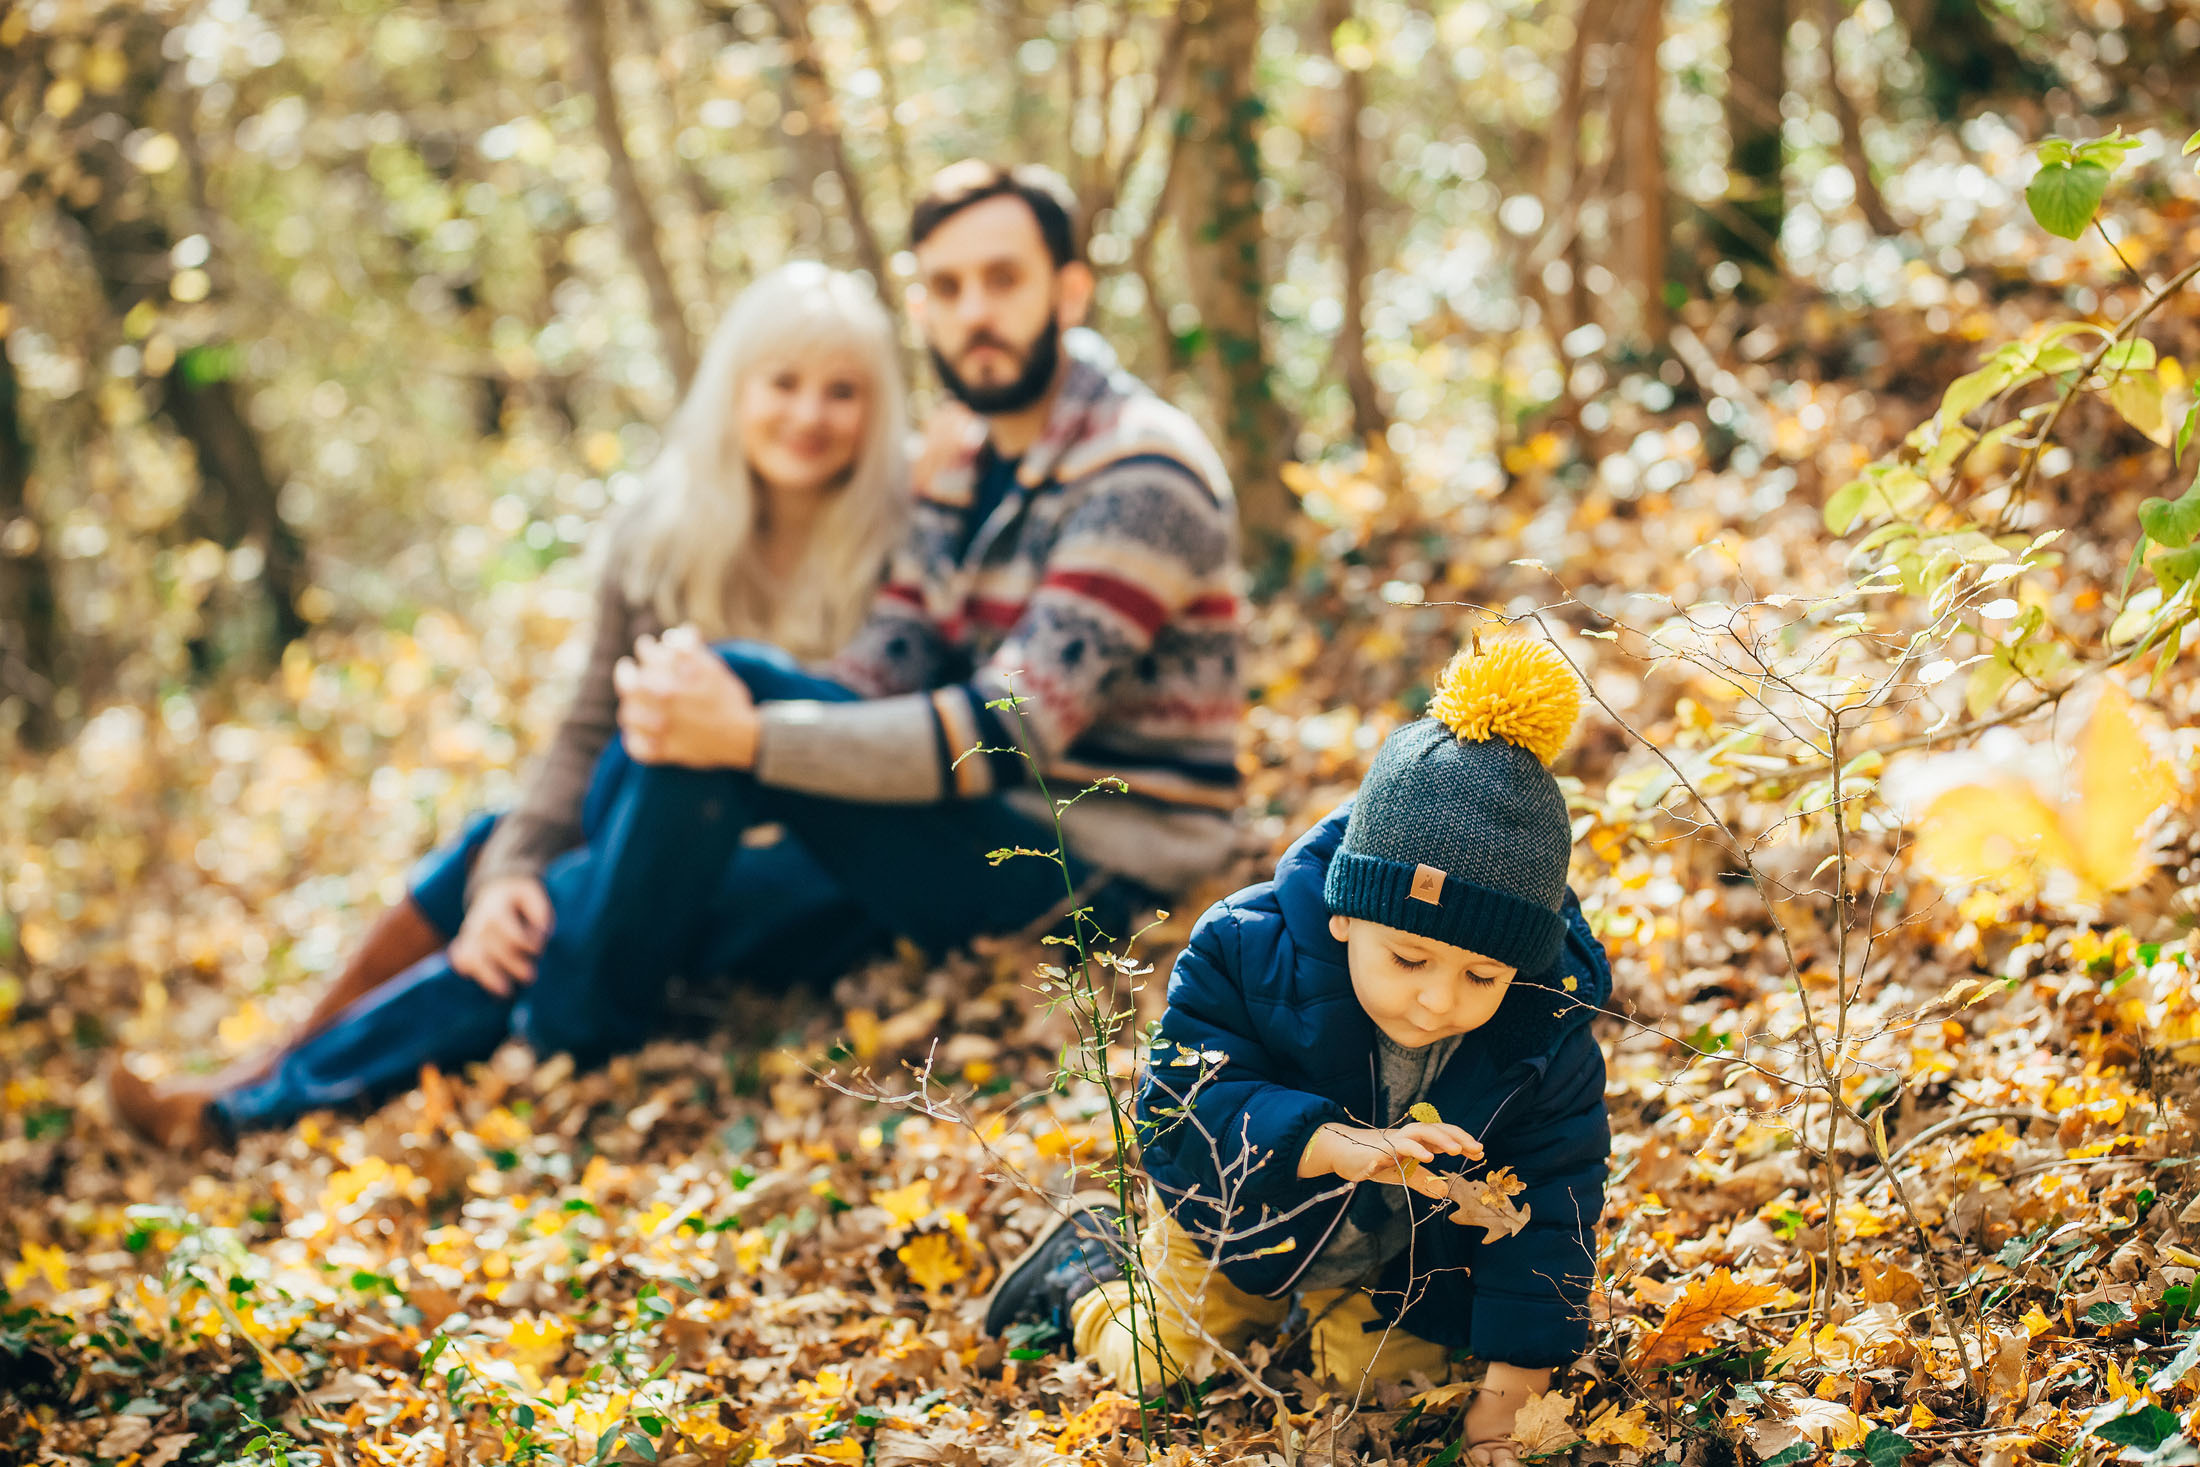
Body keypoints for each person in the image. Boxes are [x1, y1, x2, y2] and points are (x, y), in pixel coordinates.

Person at [118, 160, 1246, 1146]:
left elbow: (1015, 727)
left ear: (1070, 289)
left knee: (716, 698)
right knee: (559, 831)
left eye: (1003, 280)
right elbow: (880, 671)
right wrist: (739, 755)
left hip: (1094, 865)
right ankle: (253, 1095)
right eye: (947, 288)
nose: (975, 313)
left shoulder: (1137, 473)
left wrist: (752, 736)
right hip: (968, 830)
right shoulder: (959, 467)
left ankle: (500, 1037)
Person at [111, 260, 909, 1147]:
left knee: (561, 899)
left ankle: (251, 1108)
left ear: (878, 412)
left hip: (797, 868)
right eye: (785, 383)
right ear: (736, 387)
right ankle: (266, 1065)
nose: (808, 415)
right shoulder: (664, 535)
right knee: (500, 849)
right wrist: (505, 879)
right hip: (650, 830)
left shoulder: (902, 544)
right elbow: (586, 731)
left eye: (842, 393)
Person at [980, 638, 1611, 1466]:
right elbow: (1177, 1104)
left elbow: (1552, 1201)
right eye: (1410, 959)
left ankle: (1345, 1325)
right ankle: (1085, 1268)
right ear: (1346, 913)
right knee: (1165, 1368)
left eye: (1481, 974)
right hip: (1240, 1216)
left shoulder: (1542, 1030)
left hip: (1399, 1258)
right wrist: (1326, 1142)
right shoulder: (1246, 950)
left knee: (1381, 1391)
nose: (1437, 999)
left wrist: (1510, 1401)